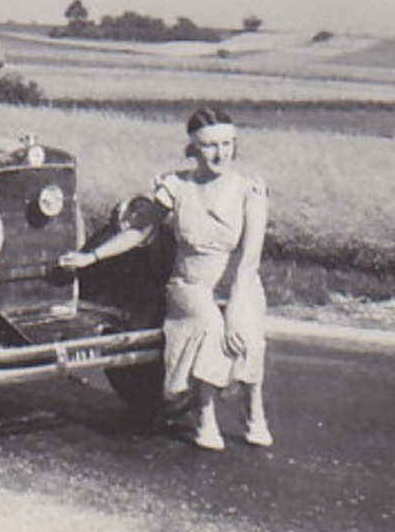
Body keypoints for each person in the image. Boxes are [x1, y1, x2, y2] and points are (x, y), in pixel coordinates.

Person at [59, 107, 272, 451]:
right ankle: (205, 418)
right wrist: (92, 256)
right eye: (209, 146)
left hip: (237, 283)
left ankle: (254, 412)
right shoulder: (177, 187)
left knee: (246, 329)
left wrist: (234, 308)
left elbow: (249, 261)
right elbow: (140, 231)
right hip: (189, 285)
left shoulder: (250, 191)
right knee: (208, 326)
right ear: (193, 149)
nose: (221, 154)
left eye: (227, 144)